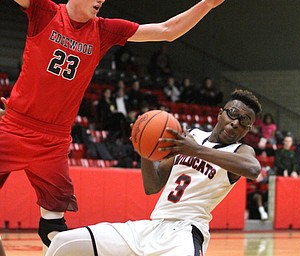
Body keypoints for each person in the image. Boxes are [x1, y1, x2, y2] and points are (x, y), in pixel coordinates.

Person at [0, 0, 226, 253]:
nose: (102, 1)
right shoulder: (44, 11)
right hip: (15, 127)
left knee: (53, 231)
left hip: (55, 141)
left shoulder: (104, 30)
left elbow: (166, 30)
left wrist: (207, 4)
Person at [46, 89, 262, 256]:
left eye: (245, 122)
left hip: (186, 232)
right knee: (62, 243)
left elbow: (252, 169)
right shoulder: (190, 135)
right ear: (220, 113)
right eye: (233, 114)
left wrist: (195, 150)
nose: (235, 123)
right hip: (152, 226)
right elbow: (152, 186)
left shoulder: (240, 151)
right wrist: (144, 149)